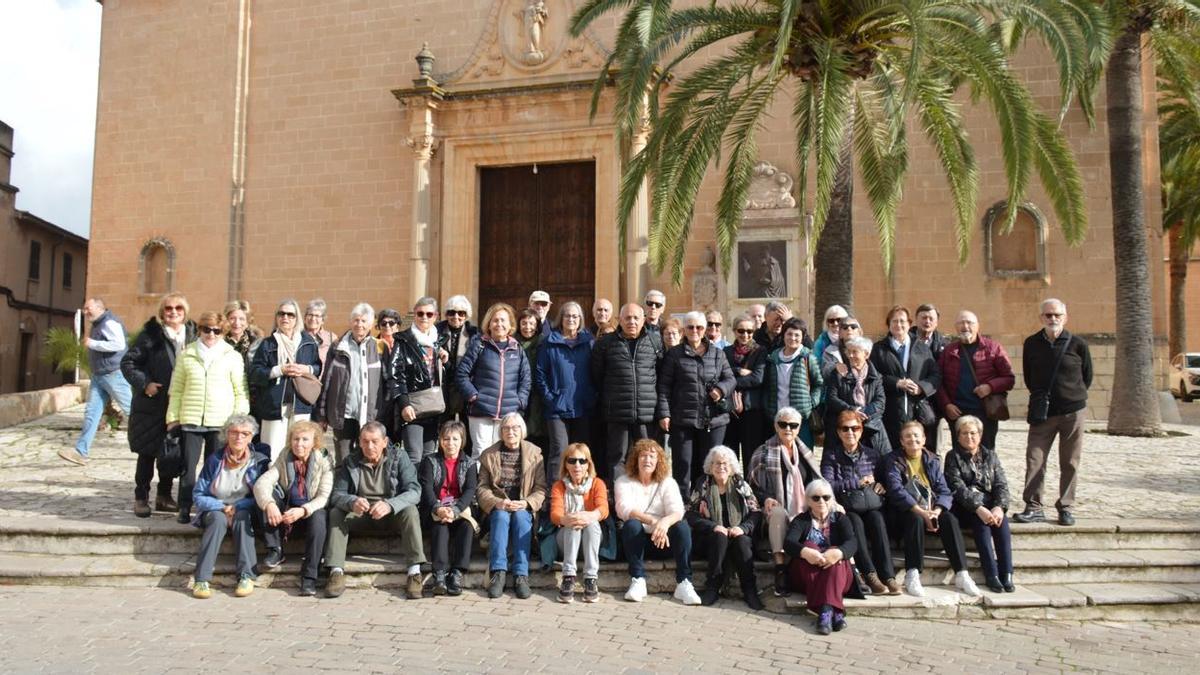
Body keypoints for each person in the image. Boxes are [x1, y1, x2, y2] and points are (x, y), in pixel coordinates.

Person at [324, 421, 425, 599]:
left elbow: (414, 491)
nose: (369, 446)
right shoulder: (351, 461)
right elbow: (337, 495)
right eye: (365, 441)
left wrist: (390, 505)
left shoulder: (399, 457)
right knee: (336, 513)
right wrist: (352, 501)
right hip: (362, 515)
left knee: (410, 511)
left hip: (391, 514)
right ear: (359, 442)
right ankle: (336, 572)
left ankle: (414, 572)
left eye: (374, 441)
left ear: (385, 442)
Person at [880, 421, 981, 598]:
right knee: (915, 519)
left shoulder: (932, 459)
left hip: (931, 509)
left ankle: (962, 573)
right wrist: (921, 512)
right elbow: (896, 491)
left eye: (916, 435)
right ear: (901, 441)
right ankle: (913, 572)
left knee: (949, 519)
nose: (913, 439)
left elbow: (944, 490)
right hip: (904, 512)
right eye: (908, 436)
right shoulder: (893, 460)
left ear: (924, 439)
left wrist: (937, 511)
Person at [166, 311, 249, 523]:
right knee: (188, 466)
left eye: (216, 330)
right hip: (191, 419)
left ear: (223, 332)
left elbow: (240, 390)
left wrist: (238, 420)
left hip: (220, 422)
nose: (211, 334)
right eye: (206, 329)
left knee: (215, 467)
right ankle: (184, 506)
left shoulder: (232, 356)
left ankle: (209, 507)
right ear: (200, 330)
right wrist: (173, 417)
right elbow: (177, 389)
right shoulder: (187, 354)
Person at [1015, 298, 1093, 526]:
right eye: (1048, 315)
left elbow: (1087, 376)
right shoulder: (1031, 343)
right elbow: (1029, 376)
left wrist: (1071, 397)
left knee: (1070, 461)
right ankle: (1034, 505)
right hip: (1043, 413)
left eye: (1057, 315)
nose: (1053, 319)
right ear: (1041, 318)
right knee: (1035, 459)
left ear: (1065, 317)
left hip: (1073, 411)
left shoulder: (1078, 344)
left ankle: (1066, 506)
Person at [121, 293, 194, 516]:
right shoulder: (150, 336)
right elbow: (128, 362)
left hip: (179, 404)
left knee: (171, 452)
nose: (174, 312)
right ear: (163, 312)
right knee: (147, 453)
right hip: (152, 405)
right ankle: (141, 497)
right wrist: (145, 384)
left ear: (185, 312)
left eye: (178, 308)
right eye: (169, 308)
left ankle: (164, 496)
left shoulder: (192, 335)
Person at [189, 415, 270, 599]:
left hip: (244, 508)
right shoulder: (215, 460)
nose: (239, 437)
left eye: (245, 433)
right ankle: (201, 579)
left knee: (242, 518)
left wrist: (238, 505)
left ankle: (246, 576)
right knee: (217, 521)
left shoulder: (258, 462)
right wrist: (221, 506)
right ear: (227, 435)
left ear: (251, 437)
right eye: (234, 432)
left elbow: (260, 495)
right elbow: (198, 494)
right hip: (215, 508)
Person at [821, 409, 899, 595]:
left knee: (877, 520)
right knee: (854, 522)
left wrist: (882, 486)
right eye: (845, 429)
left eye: (855, 428)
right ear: (839, 432)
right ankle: (870, 574)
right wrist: (856, 482)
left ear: (861, 430)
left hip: (871, 504)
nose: (850, 433)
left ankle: (888, 576)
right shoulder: (831, 456)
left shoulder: (872, 455)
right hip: (847, 506)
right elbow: (828, 485)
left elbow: (884, 478)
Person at [657, 311, 735, 495]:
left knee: (709, 466)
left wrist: (721, 389)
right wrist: (664, 413)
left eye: (699, 327)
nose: (695, 330)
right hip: (682, 420)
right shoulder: (674, 355)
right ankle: (682, 508)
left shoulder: (717, 354)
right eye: (690, 327)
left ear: (704, 329)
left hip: (713, 420)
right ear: (684, 330)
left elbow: (731, 379)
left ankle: (706, 504)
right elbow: (664, 387)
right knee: (683, 466)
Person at [614, 439, 700, 605]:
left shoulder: (667, 482)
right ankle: (638, 580)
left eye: (652, 456)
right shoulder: (623, 481)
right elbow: (624, 509)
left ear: (658, 460)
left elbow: (677, 511)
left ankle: (684, 583)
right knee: (632, 524)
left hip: (663, 541)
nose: (647, 460)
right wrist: (653, 521)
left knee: (682, 527)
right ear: (636, 459)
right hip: (637, 543)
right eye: (643, 456)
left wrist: (664, 524)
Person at [748, 407, 823, 596]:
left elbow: (816, 483)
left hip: (802, 509)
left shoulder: (805, 454)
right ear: (776, 426)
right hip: (772, 510)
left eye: (793, 425)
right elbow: (751, 486)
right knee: (779, 512)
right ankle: (780, 568)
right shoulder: (763, 452)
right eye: (783, 424)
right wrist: (766, 498)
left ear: (798, 428)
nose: (788, 428)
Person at [253, 420, 333, 597]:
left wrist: (303, 510)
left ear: (315, 442)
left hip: (309, 514)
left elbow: (323, 497)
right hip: (286, 516)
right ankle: (275, 549)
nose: (299, 444)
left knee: (320, 516)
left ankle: (309, 576)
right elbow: (261, 483)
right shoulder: (285, 456)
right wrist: (270, 504)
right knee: (267, 498)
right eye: (296, 439)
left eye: (305, 439)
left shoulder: (324, 460)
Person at [591, 303, 664, 484]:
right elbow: (597, 375)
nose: (632, 321)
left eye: (636, 318)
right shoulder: (605, 344)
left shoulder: (655, 342)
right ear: (619, 320)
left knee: (647, 457)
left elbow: (661, 376)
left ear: (643, 320)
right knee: (617, 458)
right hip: (617, 411)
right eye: (627, 318)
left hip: (646, 412)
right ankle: (619, 501)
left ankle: (646, 497)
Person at [476, 413, 546, 599]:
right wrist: (496, 502)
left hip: (523, 506)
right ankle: (498, 572)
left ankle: (521, 574)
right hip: (499, 506)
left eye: (515, 428)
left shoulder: (535, 454)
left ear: (522, 430)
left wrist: (526, 503)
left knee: (522, 517)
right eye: (506, 428)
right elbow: (481, 488)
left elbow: (540, 489)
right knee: (500, 516)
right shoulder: (489, 455)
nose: (510, 432)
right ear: (501, 431)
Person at [686, 445, 764, 609]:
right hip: (711, 539)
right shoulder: (704, 484)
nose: (721, 467)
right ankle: (713, 586)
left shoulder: (739, 483)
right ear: (710, 466)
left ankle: (749, 589)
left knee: (742, 541)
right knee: (719, 536)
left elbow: (756, 512)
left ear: (731, 467)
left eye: (725, 464)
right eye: (717, 463)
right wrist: (713, 526)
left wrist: (743, 528)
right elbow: (690, 514)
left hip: (737, 534)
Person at [944, 415, 1014, 593]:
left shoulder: (990, 455)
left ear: (980, 435)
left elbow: (1001, 484)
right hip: (966, 507)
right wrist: (978, 508)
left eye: (973, 433)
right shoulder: (953, 457)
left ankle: (1007, 573)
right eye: (965, 433)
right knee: (982, 524)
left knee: (1002, 523)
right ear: (958, 436)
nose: (969, 437)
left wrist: (999, 507)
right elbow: (957, 487)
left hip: (991, 505)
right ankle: (991, 574)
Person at [61, 298, 133, 466]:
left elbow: (118, 344)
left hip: (113, 374)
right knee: (91, 413)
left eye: (88, 309)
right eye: (84, 309)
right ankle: (80, 452)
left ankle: (158, 446)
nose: (85, 312)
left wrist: (92, 343)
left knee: (133, 411)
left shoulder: (109, 323)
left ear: (99, 307)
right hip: (100, 376)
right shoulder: (99, 324)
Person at [783, 479, 859, 634]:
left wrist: (838, 553)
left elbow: (852, 542)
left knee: (835, 550)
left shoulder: (840, 519)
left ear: (831, 499)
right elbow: (789, 543)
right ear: (808, 501)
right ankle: (834, 612)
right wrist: (807, 553)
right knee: (810, 545)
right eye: (815, 498)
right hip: (806, 577)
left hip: (839, 577)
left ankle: (825, 611)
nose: (821, 501)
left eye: (826, 497)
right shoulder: (801, 520)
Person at [312, 303, 384, 465]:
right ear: (351, 322)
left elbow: (386, 384)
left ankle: (364, 490)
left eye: (364, 321)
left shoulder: (380, 348)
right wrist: (322, 414)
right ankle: (343, 490)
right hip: (343, 415)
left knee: (368, 458)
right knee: (343, 460)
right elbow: (327, 381)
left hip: (369, 415)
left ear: (371, 324)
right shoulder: (338, 347)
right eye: (356, 320)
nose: (360, 324)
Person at [249, 299, 321, 461]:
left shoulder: (308, 342)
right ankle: (272, 485)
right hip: (274, 406)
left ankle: (296, 486)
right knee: (272, 452)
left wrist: (305, 369)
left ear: (297, 319)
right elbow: (255, 372)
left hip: (301, 404)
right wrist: (279, 370)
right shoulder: (267, 344)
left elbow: (317, 367)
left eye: (290, 314)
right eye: (281, 314)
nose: (285, 318)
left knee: (300, 451)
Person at [457, 302, 531, 454]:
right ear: (489, 324)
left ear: (510, 324)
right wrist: (474, 396)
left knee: (502, 454)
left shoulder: (517, 349)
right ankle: (481, 479)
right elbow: (461, 374)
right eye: (495, 320)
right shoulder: (479, 345)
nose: (499, 324)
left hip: (508, 413)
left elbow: (526, 379)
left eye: (503, 320)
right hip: (481, 411)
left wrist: (520, 401)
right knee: (481, 452)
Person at [536, 301, 596, 486]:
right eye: (567, 315)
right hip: (557, 407)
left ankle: (581, 492)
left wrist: (592, 396)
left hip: (583, 406)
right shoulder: (549, 342)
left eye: (575, 316)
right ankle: (554, 495)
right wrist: (550, 398)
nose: (571, 319)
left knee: (581, 453)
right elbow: (540, 373)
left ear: (581, 320)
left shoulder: (589, 342)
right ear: (560, 318)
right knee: (559, 450)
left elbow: (597, 371)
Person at [936, 310, 1014, 451]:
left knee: (986, 452)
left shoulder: (993, 348)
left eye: (969, 322)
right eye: (961, 323)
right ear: (955, 327)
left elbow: (1009, 379)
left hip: (985, 412)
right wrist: (947, 405)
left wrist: (990, 387)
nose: (965, 326)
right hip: (958, 412)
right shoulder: (949, 351)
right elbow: (938, 382)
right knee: (959, 454)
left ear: (977, 326)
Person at [417, 420, 478, 597]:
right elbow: (426, 488)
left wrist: (455, 510)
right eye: (446, 439)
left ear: (462, 441)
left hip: (459, 508)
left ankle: (457, 573)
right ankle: (440, 575)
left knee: (467, 527)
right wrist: (438, 509)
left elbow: (470, 490)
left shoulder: (469, 463)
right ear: (440, 441)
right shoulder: (430, 461)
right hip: (436, 507)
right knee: (440, 527)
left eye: (455, 439)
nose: (450, 443)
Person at [385, 296, 448, 464]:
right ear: (414, 315)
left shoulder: (438, 341)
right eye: (420, 313)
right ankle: (413, 490)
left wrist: (444, 360)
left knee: (429, 457)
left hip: (434, 407)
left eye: (429, 314)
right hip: (413, 407)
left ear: (435, 316)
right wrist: (404, 403)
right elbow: (394, 374)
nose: (424, 318)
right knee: (414, 456)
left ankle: (426, 491)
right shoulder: (403, 340)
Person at [870, 305, 941, 451]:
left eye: (902, 321)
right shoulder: (878, 349)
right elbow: (873, 376)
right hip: (890, 411)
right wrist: (896, 382)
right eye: (894, 321)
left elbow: (935, 375)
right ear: (888, 325)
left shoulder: (922, 348)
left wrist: (921, 387)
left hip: (917, 410)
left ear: (909, 323)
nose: (898, 325)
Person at [549, 442, 608, 603]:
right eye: (572, 460)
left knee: (591, 522)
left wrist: (589, 516)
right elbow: (555, 513)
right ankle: (568, 577)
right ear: (565, 464)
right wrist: (566, 519)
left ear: (588, 464)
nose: (577, 465)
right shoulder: (559, 486)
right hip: (567, 541)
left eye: (582, 461)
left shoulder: (597, 484)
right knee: (573, 523)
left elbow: (603, 509)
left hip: (591, 541)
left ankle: (590, 579)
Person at [762, 317, 823, 448]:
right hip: (778, 417)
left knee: (803, 457)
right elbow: (767, 386)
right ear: (783, 335)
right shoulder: (773, 358)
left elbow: (819, 384)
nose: (793, 338)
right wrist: (767, 406)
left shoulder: (808, 358)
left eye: (797, 335)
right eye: (789, 334)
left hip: (801, 418)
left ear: (802, 337)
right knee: (779, 455)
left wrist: (810, 403)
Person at [824, 336, 888, 450]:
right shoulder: (839, 373)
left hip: (871, 425)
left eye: (855, 352)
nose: (851, 356)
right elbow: (831, 398)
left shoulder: (876, 376)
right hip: (844, 427)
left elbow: (880, 402)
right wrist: (853, 411)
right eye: (849, 352)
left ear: (866, 354)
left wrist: (863, 413)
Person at [724, 314, 768, 473]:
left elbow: (758, 378)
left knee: (752, 456)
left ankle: (753, 493)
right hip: (731, 411)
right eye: (741, 331)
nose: (745, 335)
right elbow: (723, 376)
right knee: (730, 455)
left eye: (749, 331)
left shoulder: (760, 351)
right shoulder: (726, 352)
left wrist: (732, 380)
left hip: (752, 410)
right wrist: (737, 371)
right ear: (734, 331)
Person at [437, 295, 480, 427]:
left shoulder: (474, 334)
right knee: (443, 425)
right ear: (446, 314)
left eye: (461, 313)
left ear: (466, 315)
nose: (456, 317)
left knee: (465, 425)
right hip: (443, 384)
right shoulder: (436, 331)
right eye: (451, 312)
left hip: (465, 385)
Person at [910, 303, 948, 448]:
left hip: (935, 400)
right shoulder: (906, 341)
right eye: (923, 318)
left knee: (934, 443)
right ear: (916, 319)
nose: (927, 321)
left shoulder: (945, 344)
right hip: (911, 398)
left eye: (931, 318)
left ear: (936, 322)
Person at [516, 307, 547, 448]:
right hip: (518, 395)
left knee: (539, 435)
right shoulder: (512, 343)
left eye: (531, 324)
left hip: (539, 396)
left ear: (537, 326)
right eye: (524, 323)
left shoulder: (545, 343)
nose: (527, 327)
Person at [222, 300, 262, 369]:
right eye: (232, 318)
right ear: (226, 320)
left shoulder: (257, 344)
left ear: (248, 321)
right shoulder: (219, 342)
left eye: (241, 319)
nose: (237, 323)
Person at [821, 315, 862, 379]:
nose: (849, 329)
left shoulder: (868, 349)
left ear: (859, 332)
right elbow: (825, 373)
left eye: (853, 327)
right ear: (840, 333)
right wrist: (835, 367)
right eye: (845, 327)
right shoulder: (830, 351)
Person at [304, 298, 337, 372]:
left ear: (323, 320)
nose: (313, 318)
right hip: (303, 381)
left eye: (317, 316)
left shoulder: (331, 338)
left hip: (324, 381)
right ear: (305, 317)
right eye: (310, 315)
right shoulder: (297, 336)